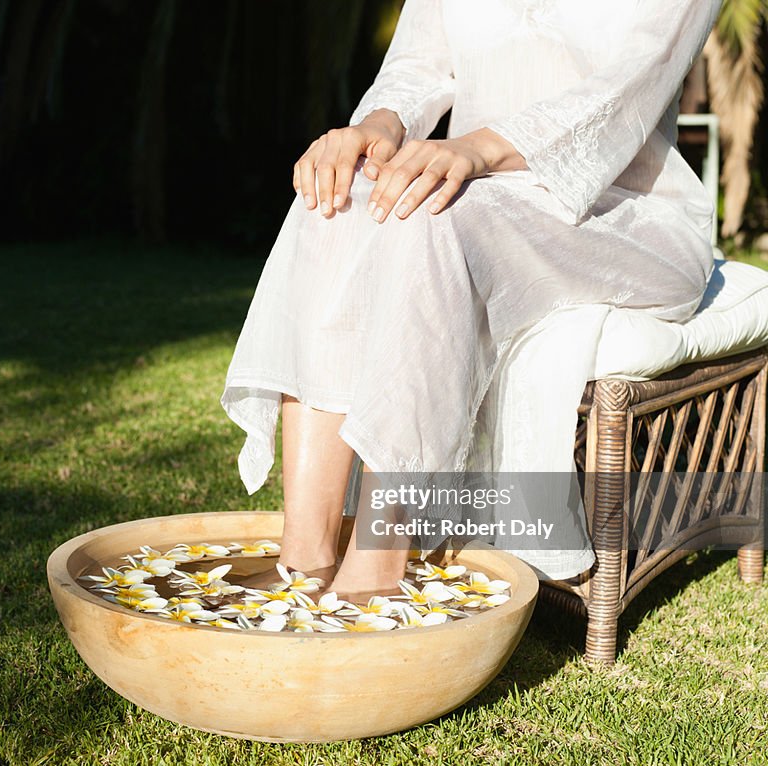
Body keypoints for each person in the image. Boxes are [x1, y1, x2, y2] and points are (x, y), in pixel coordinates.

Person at [220, 0, 723, 600]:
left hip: (628, 217)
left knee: (430, 217)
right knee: (332, 201)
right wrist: (376, 129)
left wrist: (479, 149)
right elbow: (419, 64)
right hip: (480, 187)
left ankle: (378, 561)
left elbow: (626, 90)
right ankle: (304, 556)